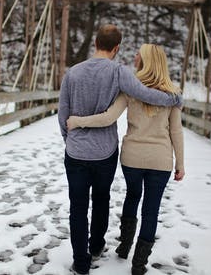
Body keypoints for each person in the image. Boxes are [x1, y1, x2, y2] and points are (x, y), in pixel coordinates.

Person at [58, 25, 182, 275]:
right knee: (101, 199)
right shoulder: (119, 72)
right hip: (105, 152)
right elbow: (146, 94)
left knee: (78, 206)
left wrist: (69, 138)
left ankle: (81, 263)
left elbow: (63, 113)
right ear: (116, 48)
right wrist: (174, 98)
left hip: (76, 152)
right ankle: (97, 246)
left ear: (95, 42)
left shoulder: (72, 72)